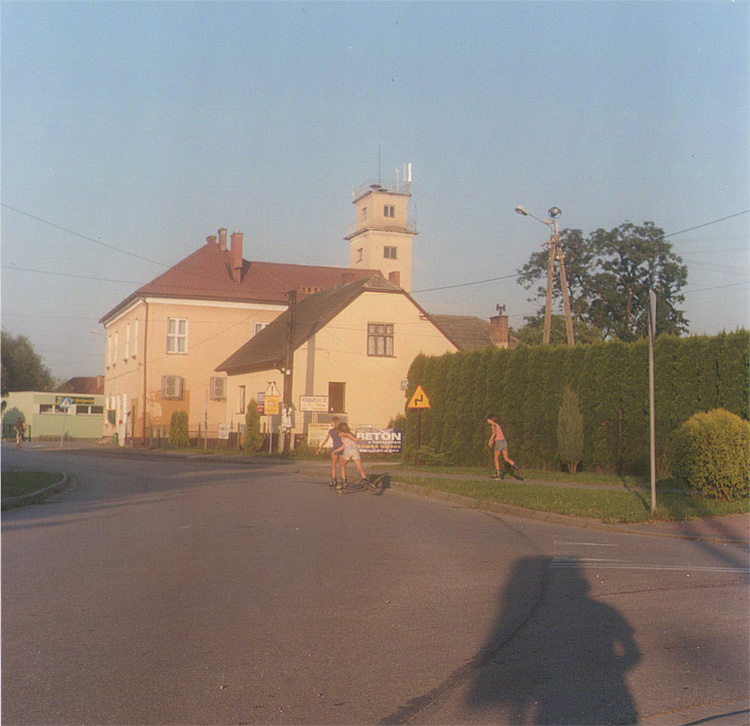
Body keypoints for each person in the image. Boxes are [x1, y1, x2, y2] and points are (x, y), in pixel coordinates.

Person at [332, 422, 368, 490]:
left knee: (342, 465)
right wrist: (335, 451)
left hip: (348, 450)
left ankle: (344, 482)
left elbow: (346, 435)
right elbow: (344, 445)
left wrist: (355, 440)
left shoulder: (342, 434)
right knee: (359, 468)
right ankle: (365, 479)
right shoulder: (351, 434)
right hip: (355, 450)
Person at [487, 414, 522, 480]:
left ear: (490, 419)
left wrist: (490, 441)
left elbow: (494, 434)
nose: (487, 421)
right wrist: (492, 441)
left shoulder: (493, 425)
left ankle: (498, 474)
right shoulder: (497, 425)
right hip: (504, 442)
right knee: (506, 458)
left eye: (488, 420)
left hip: (499, 442)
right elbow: (497, 434)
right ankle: (515, 465)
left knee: (496, 458)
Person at [316, 416, 342, 487]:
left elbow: (326, 440)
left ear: (334, 423)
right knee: (342, 465)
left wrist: (320, 448)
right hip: (342, 448)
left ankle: (334, 479)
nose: (330, 423)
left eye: (331, 422)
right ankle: (344, 480)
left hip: (335, 448)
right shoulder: (341, 430)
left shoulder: (331, 431)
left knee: (334, 465)